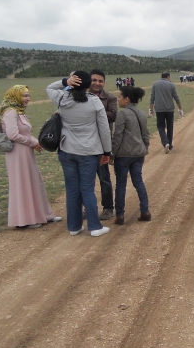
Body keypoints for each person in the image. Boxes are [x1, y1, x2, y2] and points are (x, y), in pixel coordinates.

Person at [47, 72, 112, 237]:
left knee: (72, 189)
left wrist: (64, 81)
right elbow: (104, 129)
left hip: (67, 150)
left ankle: (74, 226)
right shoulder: (94, 101)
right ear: (88, 85)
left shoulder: (62, 99)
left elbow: (50, 87)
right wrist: (106, 151)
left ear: (72, 83)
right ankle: (95, 226)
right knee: (87, 189)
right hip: (88, 151)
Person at [0, 85, 61, 229]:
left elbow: (24, 133)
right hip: (17, 153)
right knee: (22, 184)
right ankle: (24, 221)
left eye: (28, 95)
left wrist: (36, 142)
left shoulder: (19, 112)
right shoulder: (11, 112)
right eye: (24, 95)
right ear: (15, 96)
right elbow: (12, 135)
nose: (27, 99)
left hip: (25, 152)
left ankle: (43, 215)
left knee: (33, 182)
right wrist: (33, 142)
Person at [110, 85, 151, 225]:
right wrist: (144, 148)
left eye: (120, 96)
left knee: (121, 184)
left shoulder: (122, 114)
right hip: (139, 153)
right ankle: (145, 211)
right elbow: (146, 134)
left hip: (124, 155)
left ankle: (120, 215)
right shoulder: (141, 113)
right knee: (138, 181)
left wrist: (112, 155)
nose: (118, 99)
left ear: (126, 99)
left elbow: (117, 136)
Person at [89, 69, 117, 220]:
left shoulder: (110, 98)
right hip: (84, 145)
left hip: (101, 144)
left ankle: (108, 208)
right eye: (94, 80)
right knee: (86, 179)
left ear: (104, 83)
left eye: (100, 81)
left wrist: (92, 111)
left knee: (104, 178)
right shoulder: (81, 95)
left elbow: (113, 116)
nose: (97, 83)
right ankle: (89, 207)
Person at [149, 72, 184, 153]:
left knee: (161, 127)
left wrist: (150, 109)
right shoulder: (171, 84)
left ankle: (165, 143)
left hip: (159, 109)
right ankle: (170, 145)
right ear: (168, 77)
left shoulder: (155, 84)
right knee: (170, 127)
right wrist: (180, 108)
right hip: (170, 109)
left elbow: (152, 97)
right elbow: (176, 97)